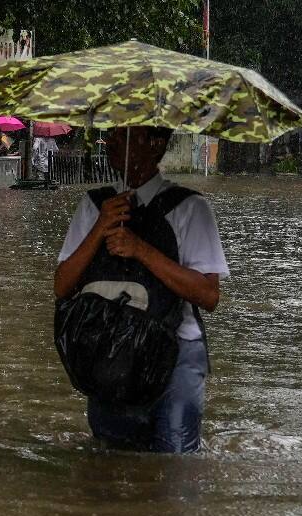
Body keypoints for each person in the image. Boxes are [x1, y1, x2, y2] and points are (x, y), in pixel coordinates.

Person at [55, 126, 228, 453]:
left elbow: (208, 295)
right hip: (108, 350)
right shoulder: (95, 206)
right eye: (112, 134)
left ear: (156, 144)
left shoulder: (190, 208)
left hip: (175, 352)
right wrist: (100, 227)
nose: (111, 142)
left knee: (174, 462)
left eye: (124, 135)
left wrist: (140, 250)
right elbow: (63, 285)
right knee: (112, 461)